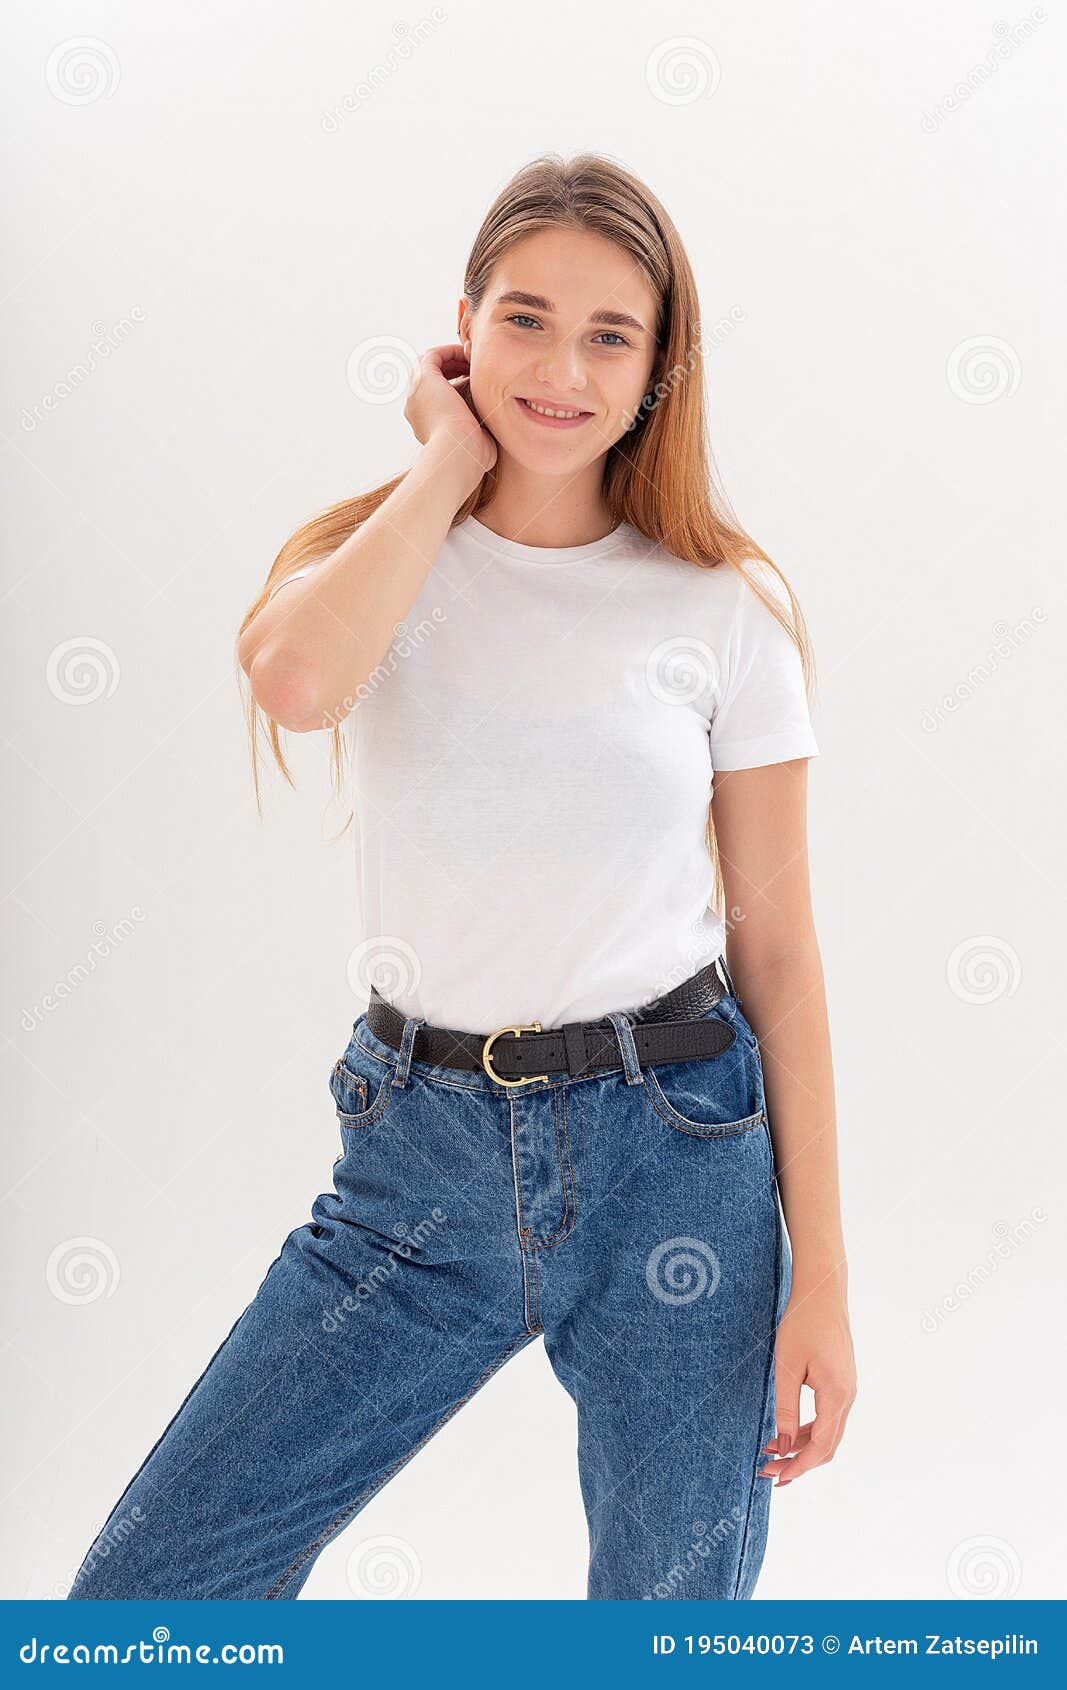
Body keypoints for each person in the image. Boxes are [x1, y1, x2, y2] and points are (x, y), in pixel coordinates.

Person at [68, 151, 856, 1602]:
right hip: (414, 1172)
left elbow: (782, 955)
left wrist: (823, 1279)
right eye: (525, 320)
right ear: (463, 329)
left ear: (662, 368)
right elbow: (299, 681)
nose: (561, 368)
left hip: (676, 1154)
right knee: (147, 1604)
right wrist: (447, 458)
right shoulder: (384, 561)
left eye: (611, 335)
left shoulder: (722, 608)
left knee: (665, 1632)